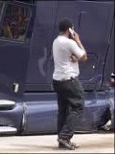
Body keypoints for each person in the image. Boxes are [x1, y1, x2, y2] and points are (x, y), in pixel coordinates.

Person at [52, 18, 87, 150]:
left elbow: (72, 57)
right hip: (69, 80)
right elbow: (84, 56)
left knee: (63, 110)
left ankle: (62, 140)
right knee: (78, 106)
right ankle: (65, 136)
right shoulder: (69, 43)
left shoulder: (56, 41)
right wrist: (77, 40)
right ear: (70, 30)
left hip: (57, 80)